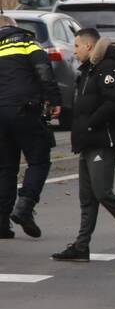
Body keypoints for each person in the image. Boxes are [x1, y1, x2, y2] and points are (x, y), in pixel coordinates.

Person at [52, 29, 115, 264]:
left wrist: (90, 124)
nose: (74, 51)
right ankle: (81, 246)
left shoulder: (108, 68)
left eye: (76, 46)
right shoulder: (89, 69)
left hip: (102, 140)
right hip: (88, 141)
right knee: (87, 197)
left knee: (103, 193)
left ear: (88, 46)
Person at [0, 14, 61, 239]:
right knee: (39, 160)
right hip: (25, 110)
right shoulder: (27, 42)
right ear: (13, 27)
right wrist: (54, 100)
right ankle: (25, 206)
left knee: (5, 168)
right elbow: (44, 71)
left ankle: (2, 223)